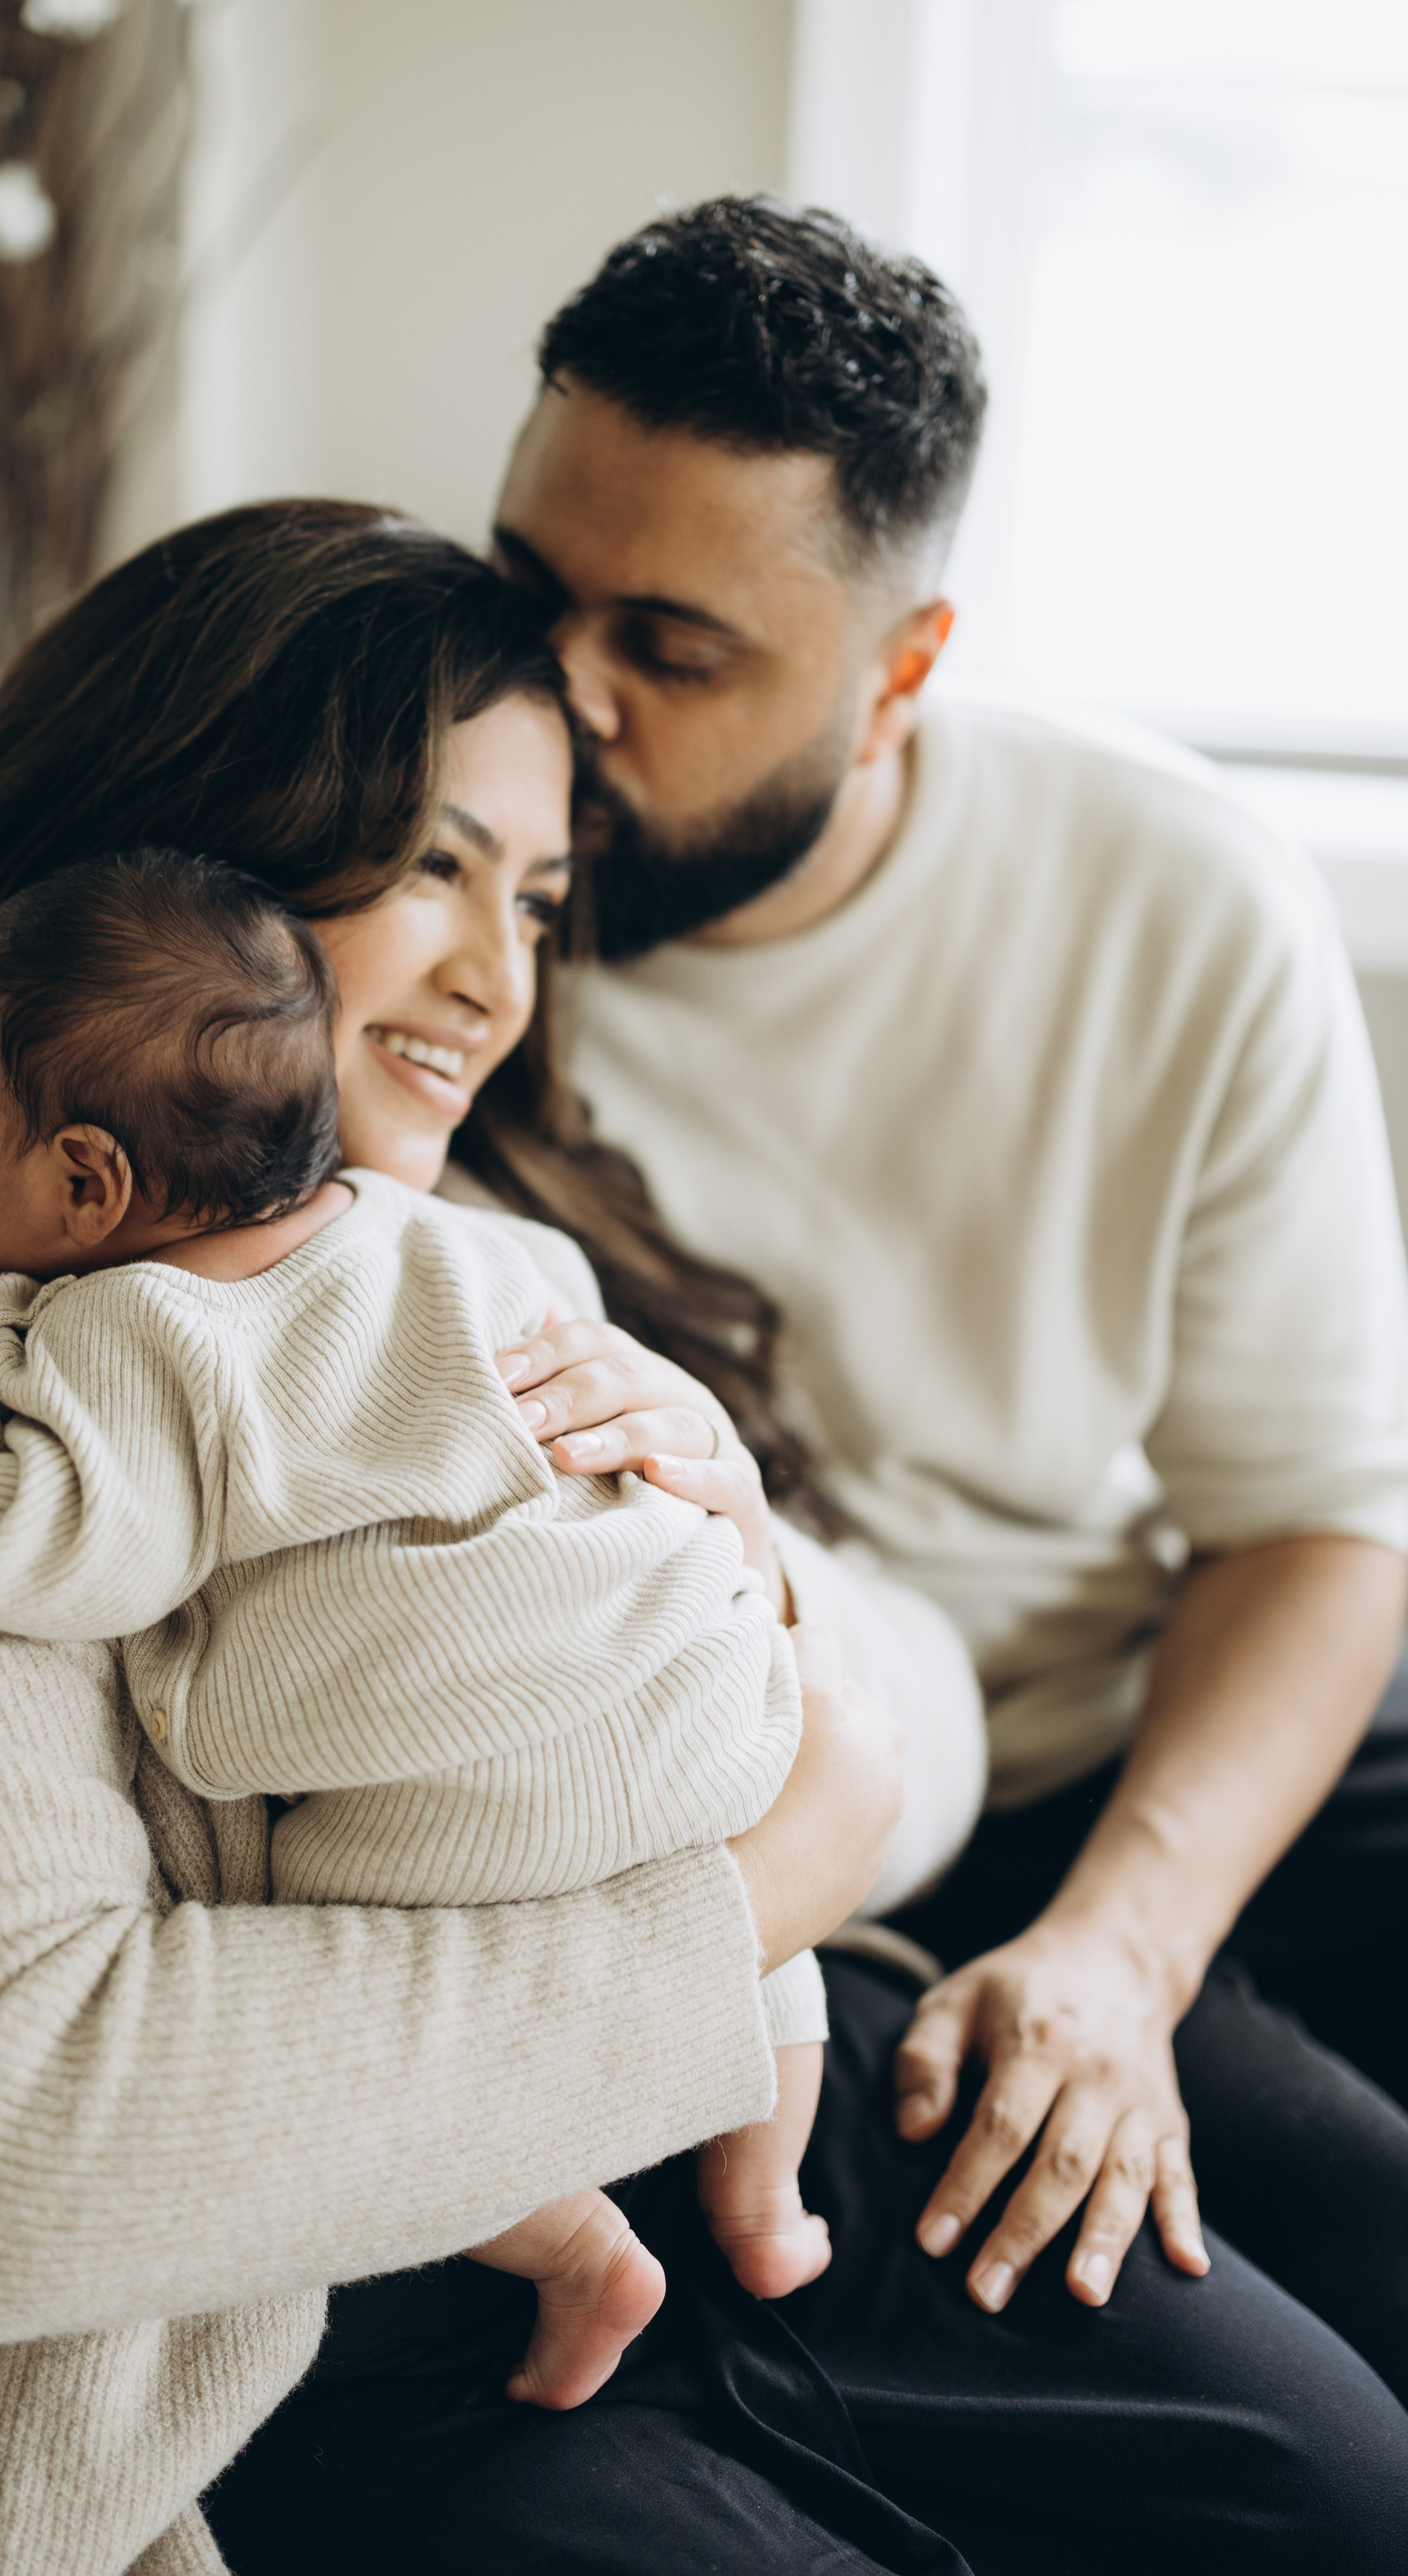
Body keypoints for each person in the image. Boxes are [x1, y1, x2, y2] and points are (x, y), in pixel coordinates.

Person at [0, 502, 1405, 2576]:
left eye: (543, 892)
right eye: (434, 866)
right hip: (267, 2330)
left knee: (1328, 2496)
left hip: (718, 2058)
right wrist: (761, 1878)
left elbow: (906, 1703)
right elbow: (0, 2159)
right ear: (187, 839)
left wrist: (760, 1608)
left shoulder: (433, 1206)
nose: (498, 977)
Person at [490, 193, 1408, 2394]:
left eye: (674, 648)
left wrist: (1131, 1947)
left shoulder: (1166, 892)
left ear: (904, 669)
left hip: (1166, 1701)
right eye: (528, 593)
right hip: (862, 1806)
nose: (561, 700)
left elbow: (1316, 1519)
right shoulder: (415, 883)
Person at [0, 847, 849, 2406]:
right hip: (702, 1678)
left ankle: (574, 2248)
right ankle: (771, 2197)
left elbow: (70, 1543)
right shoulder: (428, 1231)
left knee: (339, 1970)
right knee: (742, 1925)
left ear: (85, 1183)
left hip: (489, 1759)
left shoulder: (150, 1330)